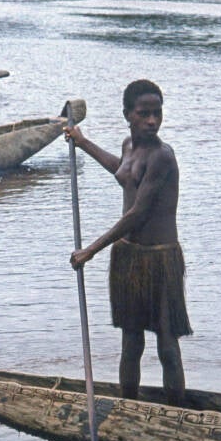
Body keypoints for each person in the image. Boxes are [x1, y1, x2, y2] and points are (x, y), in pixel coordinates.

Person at [64, 79, 193, 406]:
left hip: (161, 259)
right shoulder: (129, 147)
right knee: (131, 344)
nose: (152, 120)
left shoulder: (162, 157)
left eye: (157, 113)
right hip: (129, 259)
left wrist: (90, 251)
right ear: (128, 116)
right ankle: (128, 409)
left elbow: (138, 213)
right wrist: (82, 142)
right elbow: (122, 172)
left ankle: (176, 416)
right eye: (144, 114)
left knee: (167, 345)